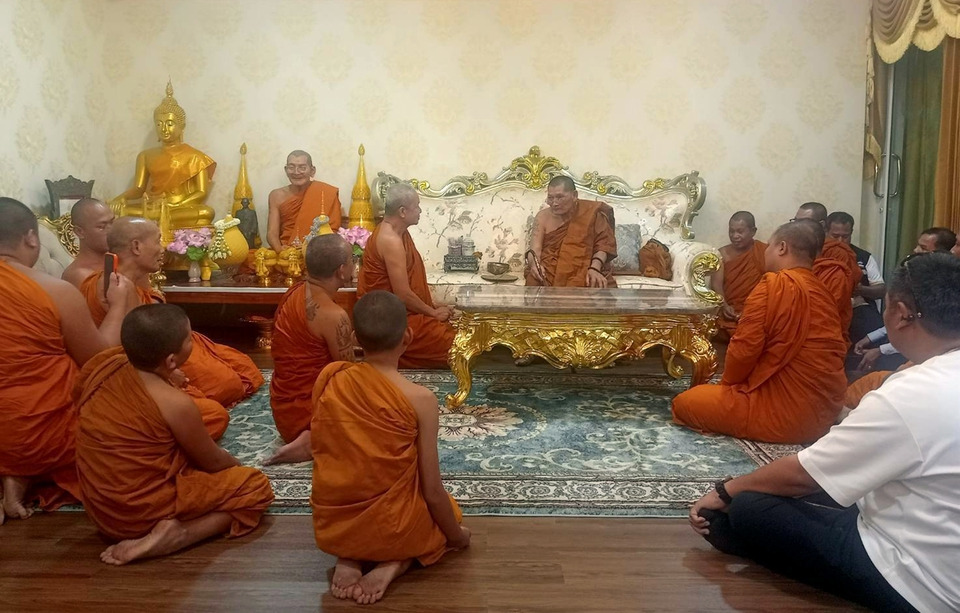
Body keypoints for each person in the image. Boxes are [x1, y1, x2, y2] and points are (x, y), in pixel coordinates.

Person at [689, 252, 960, 613]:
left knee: (750, 507)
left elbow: (803, 474)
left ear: (899, 312)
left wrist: (726, 490)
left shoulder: (910, 394)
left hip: (924, 583)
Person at [75, 304, 274, 565]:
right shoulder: (175, 404)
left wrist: (168, 378)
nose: (193, 342)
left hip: (102, 513)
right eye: (189, 339)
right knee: (255, 487)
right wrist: (237, 469)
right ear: (170, 360)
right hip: (144, 515)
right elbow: (213, 462)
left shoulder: (105, 366)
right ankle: (181, 534)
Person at [311, 291, 470, 604]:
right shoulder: (421, 400)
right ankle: (394, 562)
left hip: (337, 527)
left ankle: (350, 556)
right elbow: (432, 491)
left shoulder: (332, 380)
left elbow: (325, 451)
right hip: (395, 527)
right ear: (407, 336)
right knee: (448, 513)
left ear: (355, 339)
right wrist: (457, 537)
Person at [0, 197, 130, 521]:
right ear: (31, 238)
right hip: (37, 431)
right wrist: (117, 306)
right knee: (162, 425)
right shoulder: (55, 291)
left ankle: (15, 473)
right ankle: (24, 469)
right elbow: (99, 360)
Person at [79, 217, 263, 434]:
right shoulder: (112, 289)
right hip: (142, 371)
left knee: (244, 367)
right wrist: (165, 372)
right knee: (224, 392)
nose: (163, 248)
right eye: (158, 241)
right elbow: (118, 353)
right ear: (136, 247)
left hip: (165, 348)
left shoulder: (137, 277)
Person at [671, 220, 847, 444]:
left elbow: (743, 352)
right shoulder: (822, 291)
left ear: (781, 248)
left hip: (784, 417)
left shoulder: (773, 286)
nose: (765, 251)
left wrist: (729, 388)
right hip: (826, 411)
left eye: (770, 245)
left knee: (686, 402)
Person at [266, 234, 356, 465]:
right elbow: (349, 376)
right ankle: (314, 441)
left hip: (284, 413)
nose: (355, 264)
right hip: (312, 415)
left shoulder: (294, 292)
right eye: (352, 260)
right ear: (341, 270)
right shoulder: (334, 315)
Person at [356, 183, 455, 369]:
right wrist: (433, 313)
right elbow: (402, 295)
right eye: (417, 206)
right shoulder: (390, 240)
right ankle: (387, 356)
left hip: (403, 311)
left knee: (452, 329)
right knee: (455, 344)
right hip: (387, 318)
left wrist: (433, 308)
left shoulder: (399, 233)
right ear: (402, 212)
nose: (420, 211)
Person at [109, 81, 216, 237]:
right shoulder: (145, 155)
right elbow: (138, 188)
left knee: (206, 212)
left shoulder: (195, 157)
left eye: (170, 123)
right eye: (159, 124)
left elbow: (201, 192)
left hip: (178, 208)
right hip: (152, 206)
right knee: (121, 211)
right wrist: (118, 200)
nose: (164, 129)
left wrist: (176, 204)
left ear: (182, 126)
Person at [524, 176, 617, 288]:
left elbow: (603, 246)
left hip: (585, 267)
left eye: (560, 197)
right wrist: (534, 265)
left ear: (574, 195)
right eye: (550, 198)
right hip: (550, 270)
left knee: (597, 282)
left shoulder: (592, 212)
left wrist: (594, 268)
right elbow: (534, 250)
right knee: (533, 281)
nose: (554, 203)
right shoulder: (542, 217)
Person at [793, 202, 860, 345]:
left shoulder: (838, 252)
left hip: (825, 327)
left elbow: (835, 301)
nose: (795, 227)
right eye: (795, 221)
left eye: (802, 222)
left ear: (822, 224)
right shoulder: (797, 247)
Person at [266, 150, 342, 252]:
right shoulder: (276, 195)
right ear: (286, 170)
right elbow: (272, 233)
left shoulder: (325, 193)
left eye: (302, 167)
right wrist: (280, 251)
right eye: (291, 167)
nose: (296, 172)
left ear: (312, 171)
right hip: (286, 251)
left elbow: (332, 232)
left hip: (317, 252)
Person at [711, 211, 767, 337]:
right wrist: (724, 306)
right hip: (729, 311)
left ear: (753, 231)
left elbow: (770, 285)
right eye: (731, 231)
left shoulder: (764, 252)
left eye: (740, 231)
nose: (735, 236)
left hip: (756, 311)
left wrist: (754, 310)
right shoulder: (722, 254)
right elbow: (716, 285)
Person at [61, 198, 115, 288]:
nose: (112, 230)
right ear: (79, 232)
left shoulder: (119, 260)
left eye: (112, 222)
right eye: (102, 226)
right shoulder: (78, 275)